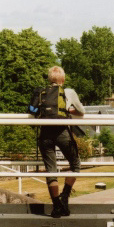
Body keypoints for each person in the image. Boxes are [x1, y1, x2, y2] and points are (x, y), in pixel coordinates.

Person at [32, 66, 85, 218]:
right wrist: (69, 111)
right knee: (75, 164)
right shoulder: (69, 92)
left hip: (45, 133)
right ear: (63, 79)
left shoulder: (42, 93)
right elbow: (82, 111)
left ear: (49, 79)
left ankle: (56, 207)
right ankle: (65, 197)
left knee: (51, 170)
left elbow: (33, 112)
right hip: (62, 132)